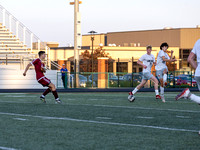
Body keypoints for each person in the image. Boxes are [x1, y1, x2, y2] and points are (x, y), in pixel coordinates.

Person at [176, 39, 200, 104]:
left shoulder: (198, 41)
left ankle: (189, 95)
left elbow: (189, 59)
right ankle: (188, 94)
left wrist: (198, 69)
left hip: (198, 74)